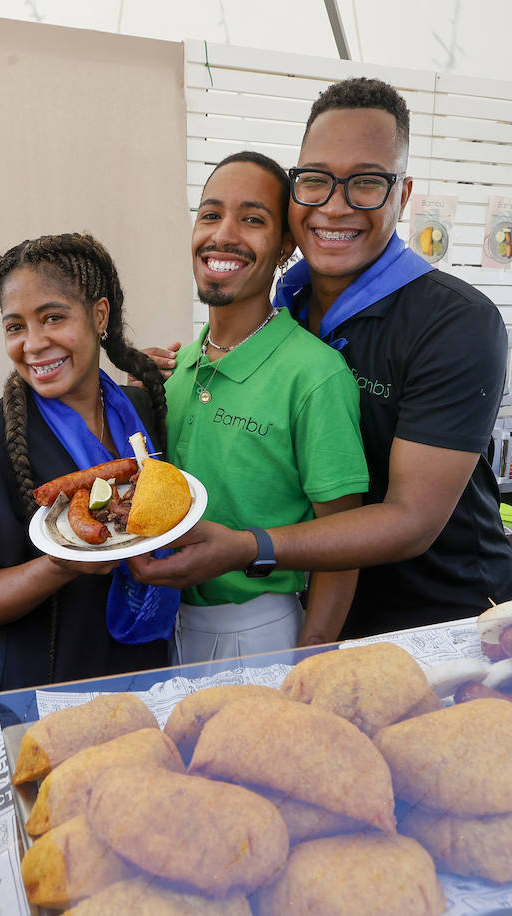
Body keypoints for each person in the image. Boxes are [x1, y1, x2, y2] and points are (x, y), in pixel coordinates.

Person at [132, 77, 512, 636]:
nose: (335, 207)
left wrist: (248, 549)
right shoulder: (285, 306)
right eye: (315, 181)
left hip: (439, 616)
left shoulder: (454, 322)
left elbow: (411, 520)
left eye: (365, 183)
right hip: (307, 608)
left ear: (403, 195)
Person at [0, 233, 173, 696]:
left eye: (53, 318)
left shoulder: (140, 410)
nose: (33, 344)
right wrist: (63, 564)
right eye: (15, 326)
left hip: (138, 676)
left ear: (99, 316)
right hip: (31, 698)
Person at [165, 150, 368, 661]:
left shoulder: (315, 374)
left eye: (252, 219)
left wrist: (310, 660)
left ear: (283, 248)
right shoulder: (176, 370)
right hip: (160, 624)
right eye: (210, 215)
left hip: (256, 633)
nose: (223, 234)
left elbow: (344, 545)